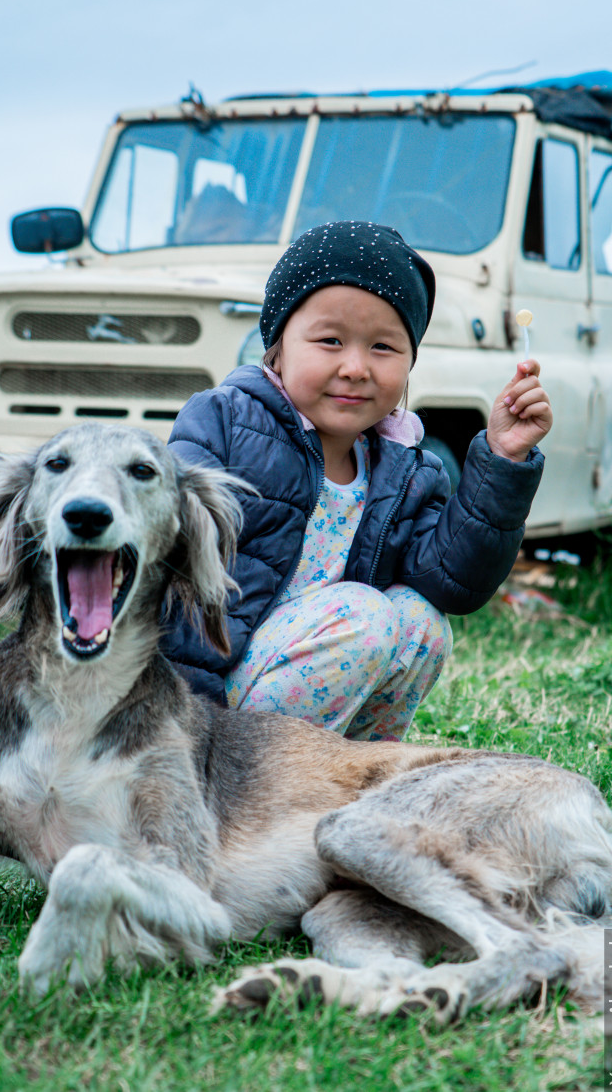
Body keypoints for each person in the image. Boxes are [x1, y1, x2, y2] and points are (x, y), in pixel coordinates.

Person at [164, 221, 552, 741]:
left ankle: (354, 766)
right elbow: (168, 562)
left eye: (383, 347)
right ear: (278, 346)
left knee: (421, 621)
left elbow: (452, 583)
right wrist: (182, 725)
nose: (355, 367)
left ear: (411, 361)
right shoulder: (225, 424)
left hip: (305, 680)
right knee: (365, 613)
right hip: (205, 705)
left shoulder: (405, 471)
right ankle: (261, 771)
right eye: (330, 341)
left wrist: (503, 458)